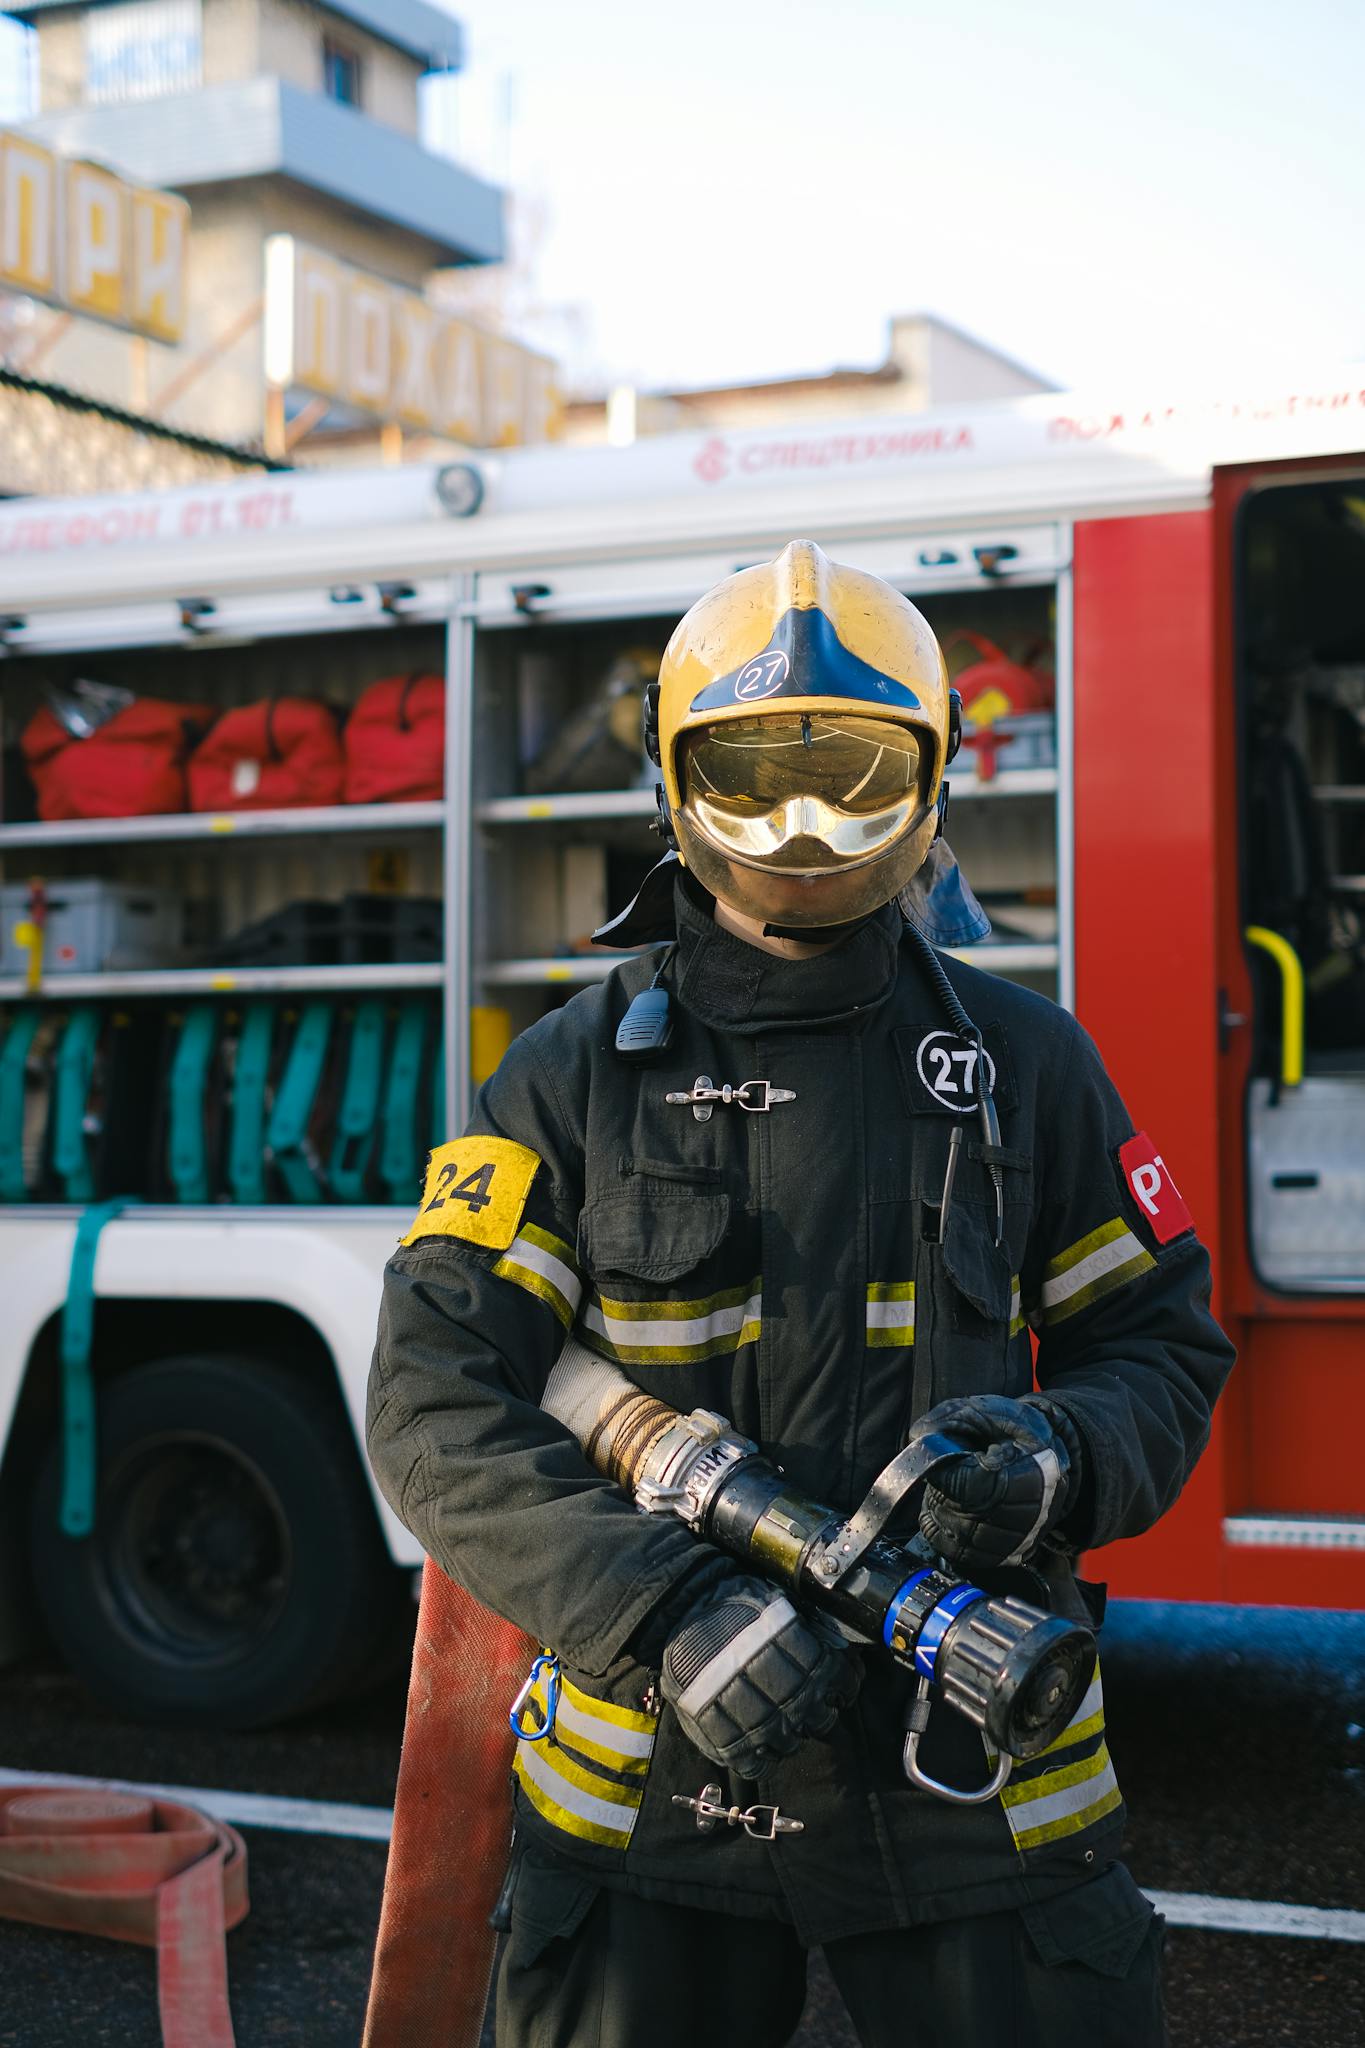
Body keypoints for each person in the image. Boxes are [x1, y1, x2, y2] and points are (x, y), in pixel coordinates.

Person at [367, 540, 1234, 2048]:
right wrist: (661, 1607)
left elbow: (1156, 1345)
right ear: (675, 787)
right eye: (757, 778)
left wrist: (1057, 1459)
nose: (803, 826)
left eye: (849, 776)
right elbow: (432, 1400)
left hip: (967, 1762)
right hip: (649, 1779)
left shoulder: (1024, 1067)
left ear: (932, 783)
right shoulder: (570, 1078)